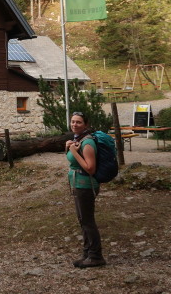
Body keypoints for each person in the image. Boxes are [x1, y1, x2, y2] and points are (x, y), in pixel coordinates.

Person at [65, 111, 106, 268]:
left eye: (79, 122)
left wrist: (74, 152)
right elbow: (73, 162)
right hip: (78, 184)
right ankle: (87, 252)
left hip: (86, 185)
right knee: (83, 220)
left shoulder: (88, 143)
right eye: (73, 121)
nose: (75, 124)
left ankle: (96, 256)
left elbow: (90, 168)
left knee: (87, 221)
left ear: (86, 125)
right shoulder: (78, 139)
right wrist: (68, 148)